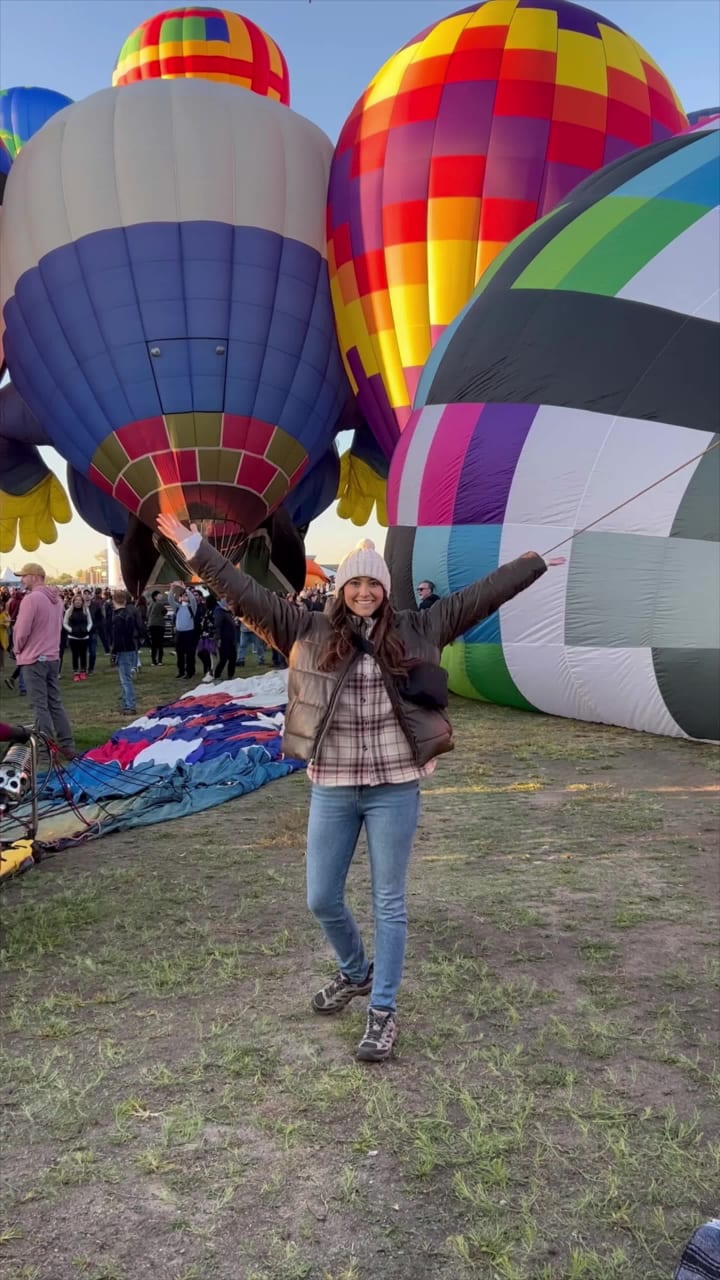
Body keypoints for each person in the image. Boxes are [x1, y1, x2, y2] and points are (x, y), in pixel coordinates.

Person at [158, 513, 565, 1063]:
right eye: (356, 582)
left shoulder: (419, 629)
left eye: (374, 583)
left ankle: (383, 1010)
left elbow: (478, 598)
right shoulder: (304, 629)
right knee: (321, 897)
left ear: (386, 589)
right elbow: (241, 592)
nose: (365, 592)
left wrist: (530, 566)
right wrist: (195, 547)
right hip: (334, 785)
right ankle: (355, 971)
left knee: (388, 901)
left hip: (395, 786)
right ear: (342, 587)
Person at [10, 562, 75, 758]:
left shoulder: (31, 599)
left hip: (34, 658)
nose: (22, 580)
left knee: (40, 705)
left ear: (34, 577)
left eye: (24, 576)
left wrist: (17, 649)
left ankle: (46, 749)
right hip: (52, 656)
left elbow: (22, 630)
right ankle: (67, 745)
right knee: (55, 702)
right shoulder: (57, 600)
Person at [111, 590, 138, 716]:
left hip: (123, 650)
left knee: (125, 680)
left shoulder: (117, 617)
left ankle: (130, 705)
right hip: (131, 647)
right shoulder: (129, 614)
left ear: (114, 601)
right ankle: (126, 703)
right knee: (126, 678)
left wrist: (114, 652)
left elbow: (117, 637)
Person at [63, 590, 93, 681]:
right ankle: (76, 673)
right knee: (75, 655)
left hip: (84, 637)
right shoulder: (69, 611)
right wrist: (71, 630)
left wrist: (87, 630)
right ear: (73, 601)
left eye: (80, 600)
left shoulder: (86, 610)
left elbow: (90, 622)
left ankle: (83, 671)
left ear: (82, 601)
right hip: (73, 637)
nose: (78, 602)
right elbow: (64, 623)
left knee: (83, 654)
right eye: (76, 600)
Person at [171, 584, 198, 679]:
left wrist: (186, 589)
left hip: (189, 633)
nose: (184, 597)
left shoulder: (191, 607)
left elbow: (193, 599)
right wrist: (172, 589)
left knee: (190, 653)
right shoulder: (178, 607)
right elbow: (170, 600)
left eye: (186, 596)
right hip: (179, 633)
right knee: (180, 653)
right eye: (182, 596)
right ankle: (181, 671)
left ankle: (190, 671)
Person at [213, 596, 237, 682]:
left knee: (233, 657)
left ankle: (231, 675)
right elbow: (218, 625)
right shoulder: (219, 611)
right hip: (223, 639)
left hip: (231, 638)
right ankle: (217, 675)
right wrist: (218, 638)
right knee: (224, 658)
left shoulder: (228, 612)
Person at [147, 591, 166, 666]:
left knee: (154, 643)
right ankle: (159, 660)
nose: (161, 596)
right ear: (155, 597)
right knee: (160, 643)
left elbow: (148, 614)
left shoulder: (151, 604)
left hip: (151, 624)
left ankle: (153, 661)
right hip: (159, 624)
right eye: (159, 595)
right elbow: (165, 611)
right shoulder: (159, 604)